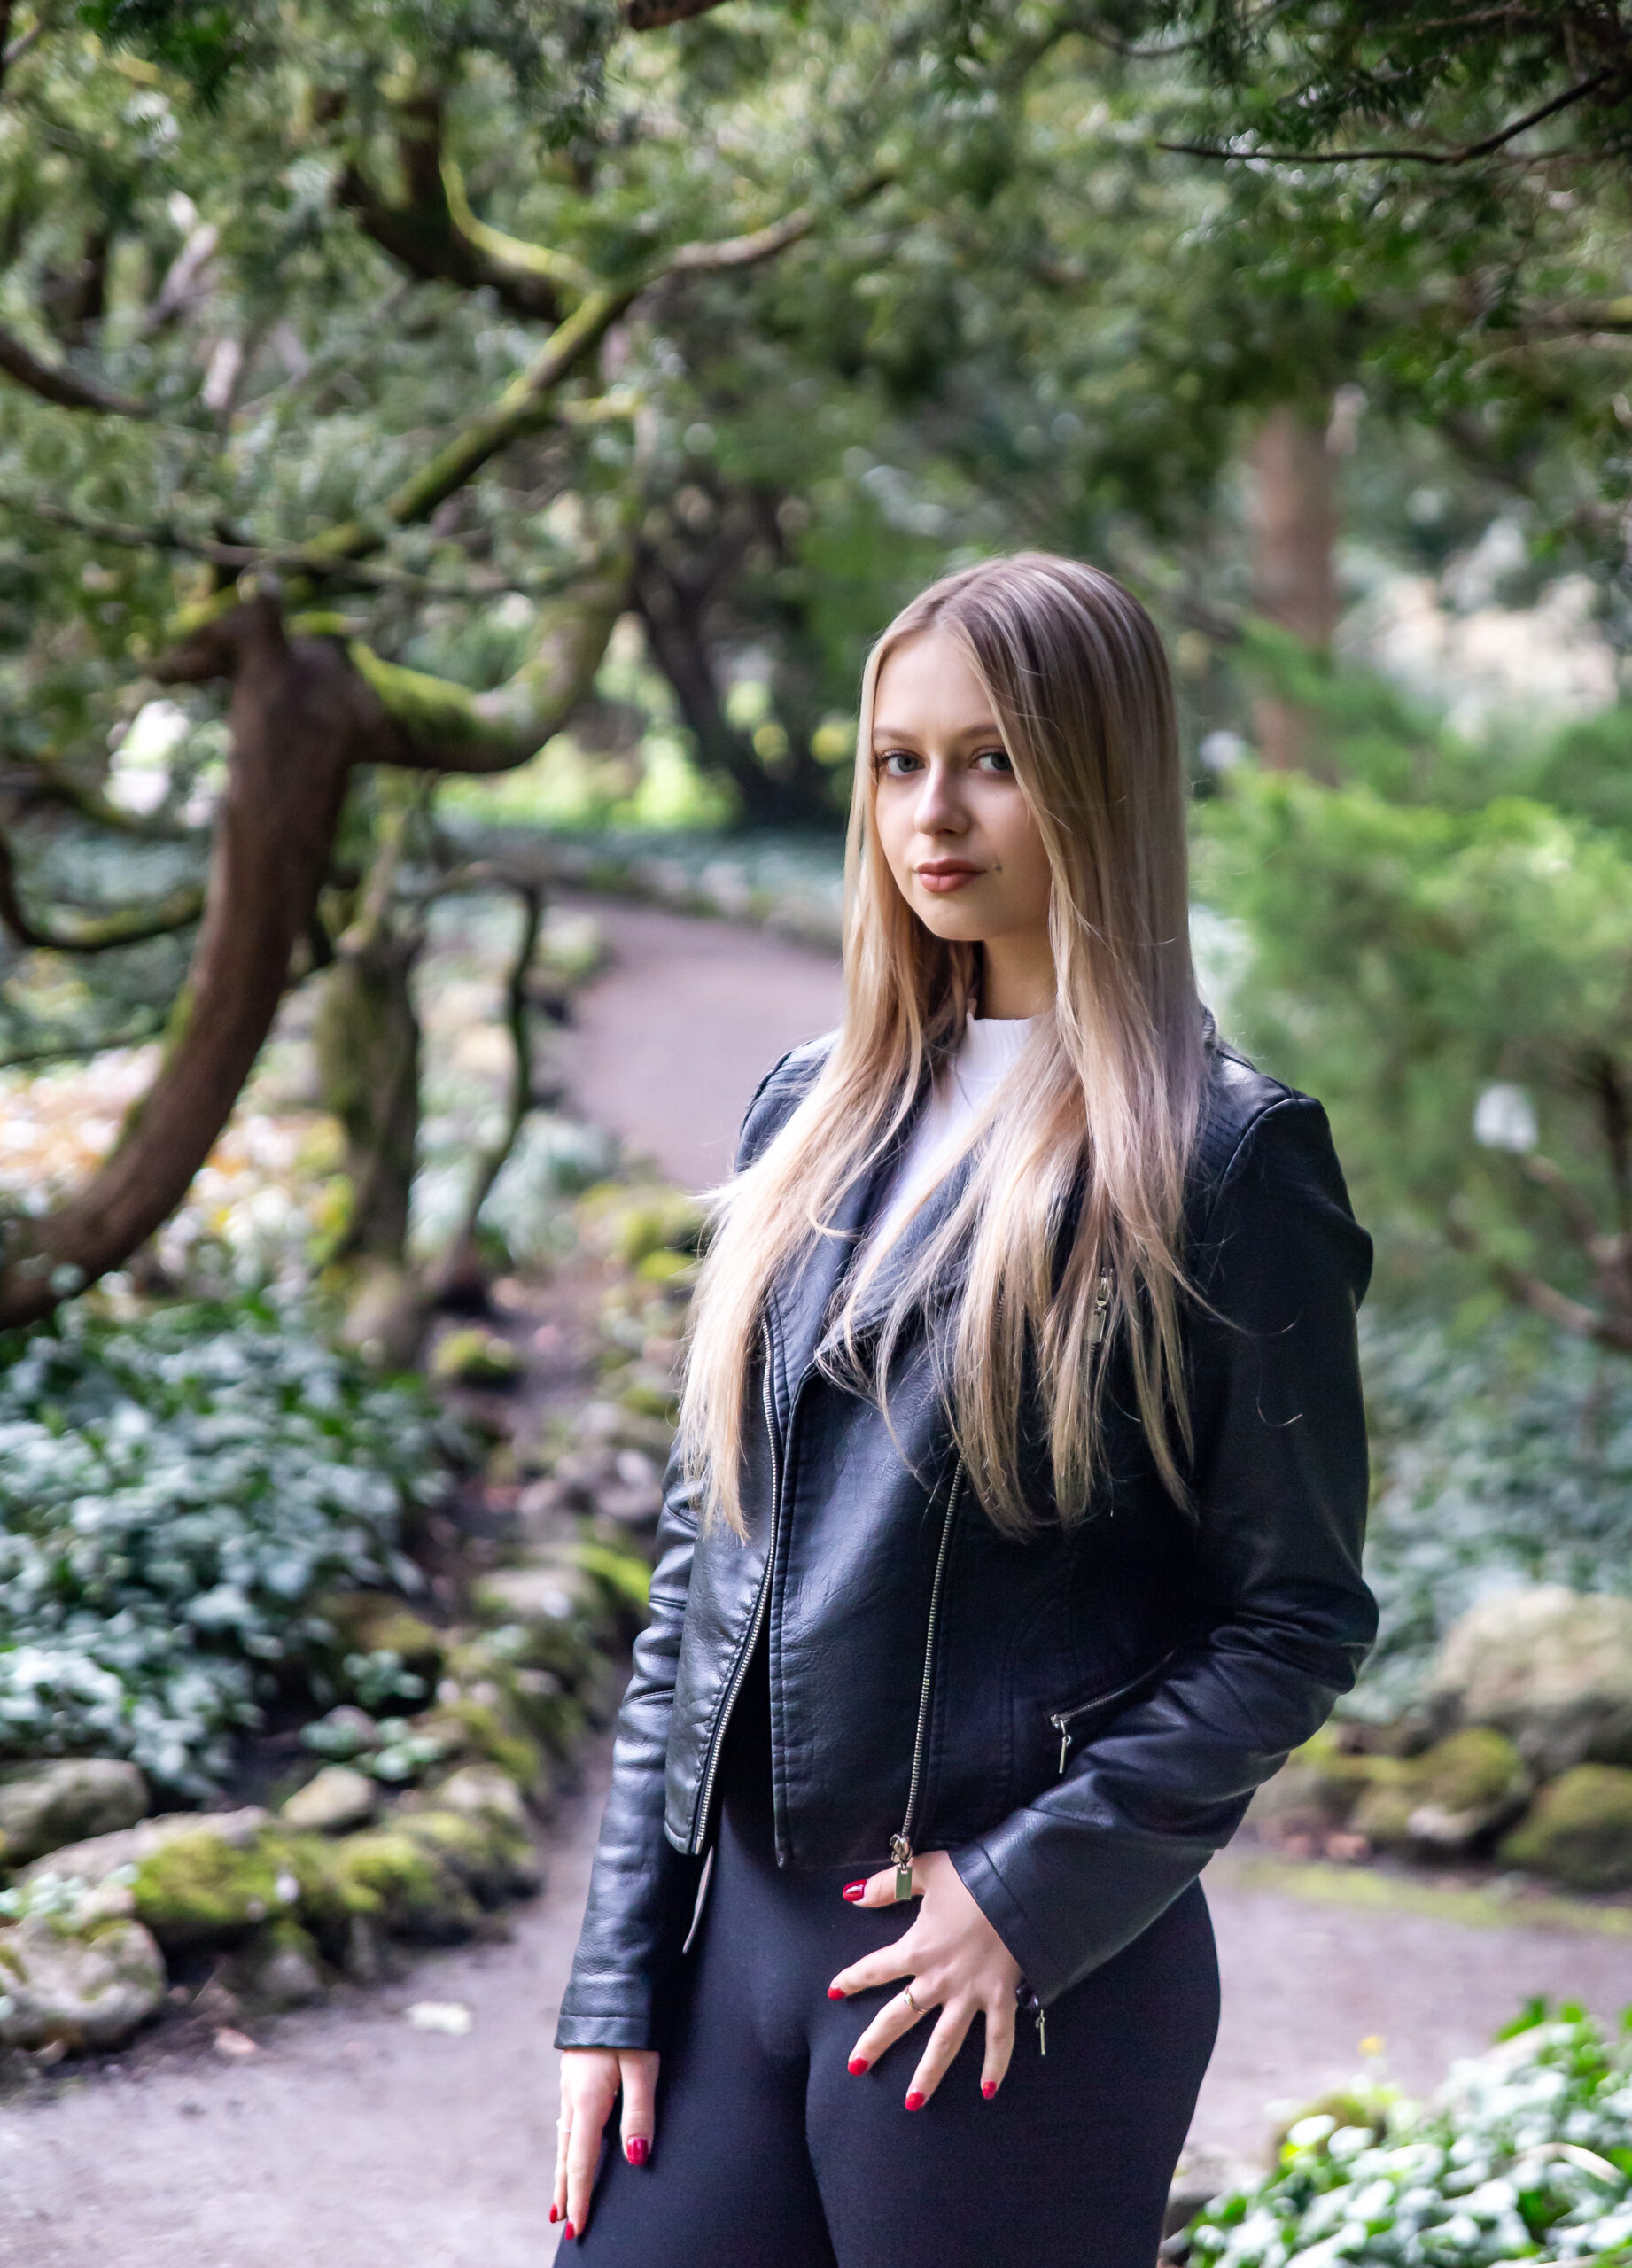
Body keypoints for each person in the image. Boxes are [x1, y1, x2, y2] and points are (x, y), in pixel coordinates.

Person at [549, 553, 1375, 2266]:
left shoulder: (1223, 1161)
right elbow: (702, 1572)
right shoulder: (804, 1111)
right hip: (730, 1956)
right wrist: (617, 1971)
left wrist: (1027, 1890)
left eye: (993, 760)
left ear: (1099, 781)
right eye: (897, 760)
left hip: (1007, 1985)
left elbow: (1292, 1615)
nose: (932, 814)